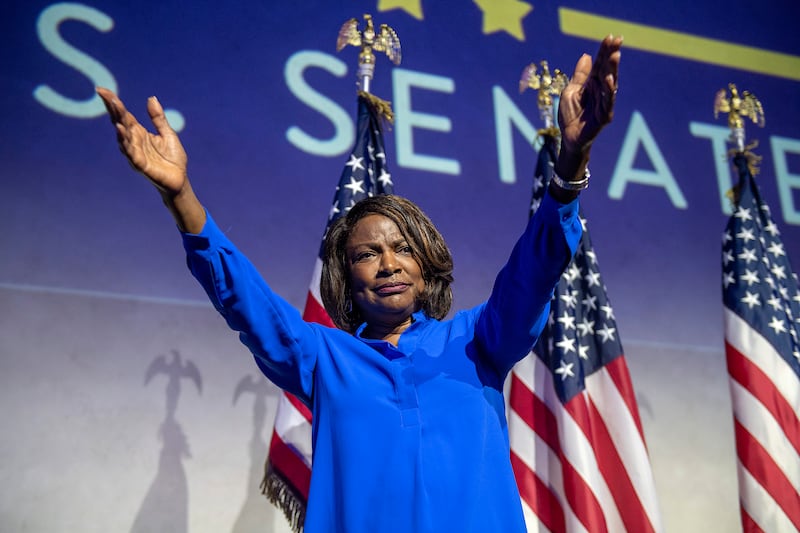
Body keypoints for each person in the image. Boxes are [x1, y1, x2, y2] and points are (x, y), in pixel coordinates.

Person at [98, 34, 622, 533]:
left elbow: (531, 274)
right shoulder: (323, 357)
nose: (389, 263)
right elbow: (248, 304)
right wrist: (182, 195)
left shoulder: (478, 341)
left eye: (403, 249)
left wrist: (571, 163)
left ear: (427, 263)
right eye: (367, 254)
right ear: (346, 278)